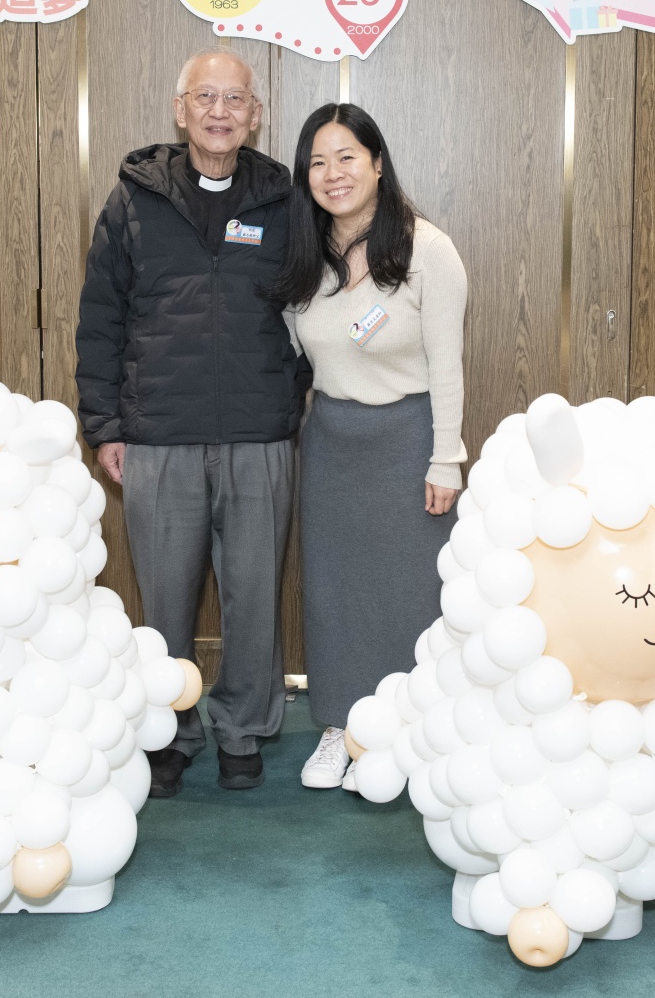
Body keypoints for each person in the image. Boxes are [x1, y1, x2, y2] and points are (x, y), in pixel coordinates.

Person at [75, 49, 304, 794]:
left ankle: (243, 728)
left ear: (255, 115)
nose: (219, 112)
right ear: (180, 110)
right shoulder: (132, 201)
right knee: (164, 601)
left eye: (235, 99)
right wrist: (105, 425)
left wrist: (284, 392)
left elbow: (314, 309)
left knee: (254, 597)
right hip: (159, 436)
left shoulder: (283, 200)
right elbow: (100, 318)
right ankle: (168, 730)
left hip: (257, 435)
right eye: (205, 96)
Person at [266, 103, 467, 792]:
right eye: (318, 163)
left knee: (411, 595)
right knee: (334, 594)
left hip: (407, 442)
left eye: (347, 157)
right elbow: (293, 351)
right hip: (331, 443)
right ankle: (339, 727)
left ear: (378, 164)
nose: (334, 174)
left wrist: (447, 459)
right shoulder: (304, 255)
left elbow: (448, 366)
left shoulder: (426, 250)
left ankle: (408, 737)